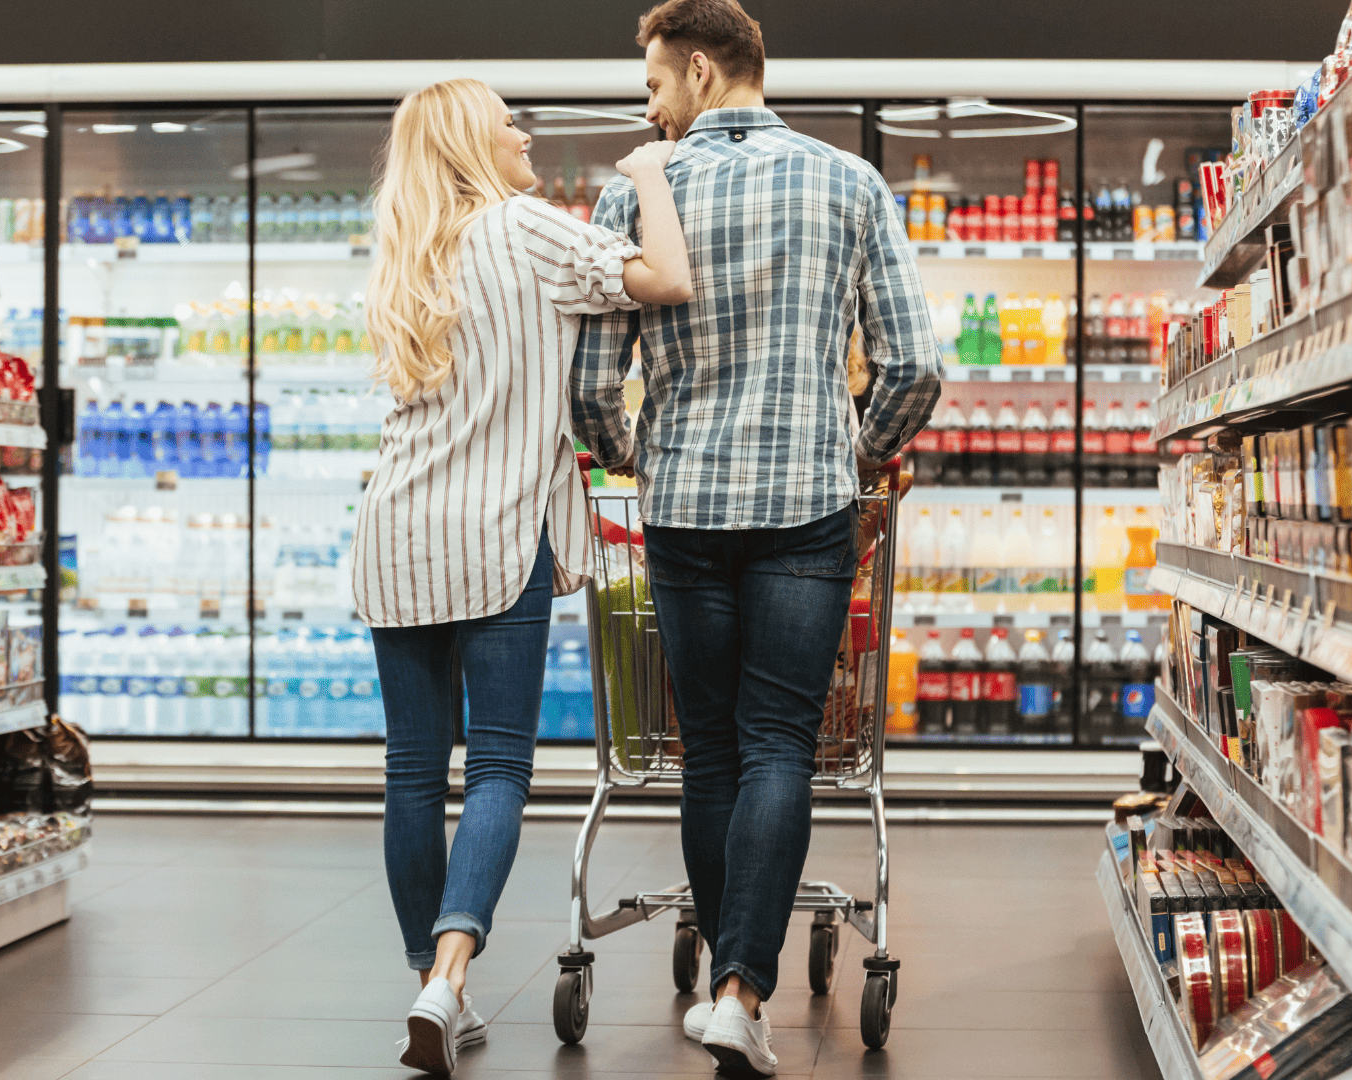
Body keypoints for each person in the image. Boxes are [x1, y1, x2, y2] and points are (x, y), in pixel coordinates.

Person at [570, 1, 942, 1075]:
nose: (650, 107)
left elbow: (591, 386)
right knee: (782, 742)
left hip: (684, 509)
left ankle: (727, 986)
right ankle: (742, 992)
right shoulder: (850, 182)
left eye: (654, 84)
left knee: (711, 749)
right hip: (806, 509)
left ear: (699, 70)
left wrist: (634, 455)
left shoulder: (636, 190)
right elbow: (915, 366)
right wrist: (857, 455)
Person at [352, 77, 693, 1076]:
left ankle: (429, 984)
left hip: (396, 532)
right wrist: (652, 173)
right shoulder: (526, 228)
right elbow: (668, 279)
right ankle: (450, 976)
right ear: (474, 142)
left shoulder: (407, 249)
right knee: (499, 764)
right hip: (498, 533)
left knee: (412, 770)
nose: (525, 135)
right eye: (510, 123)